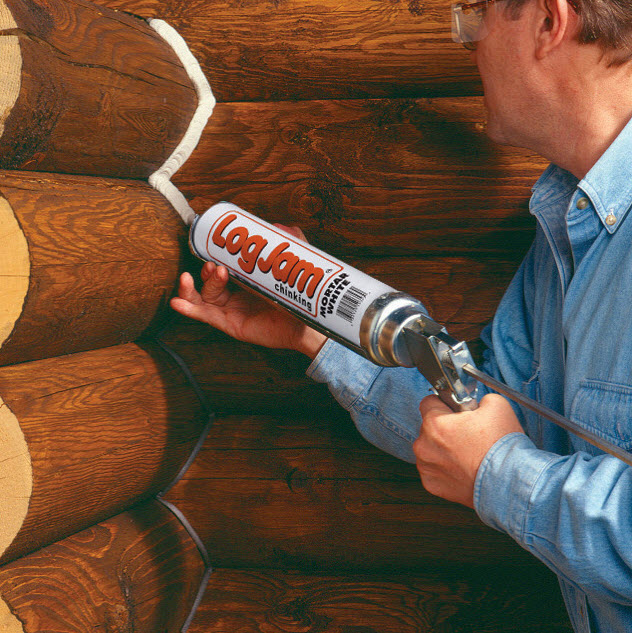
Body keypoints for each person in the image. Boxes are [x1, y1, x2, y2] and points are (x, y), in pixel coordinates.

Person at [171, 0, 632, 629]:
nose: (468, 46)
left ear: (549, 22)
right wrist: (316, 326)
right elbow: (471, 408)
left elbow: (490, 456)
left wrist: (498, 476)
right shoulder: (564, 235)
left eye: (479, 17)